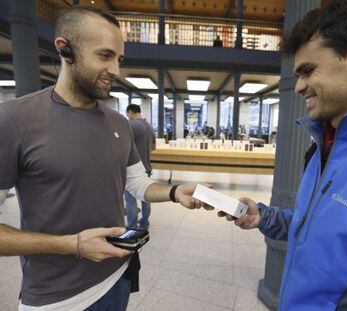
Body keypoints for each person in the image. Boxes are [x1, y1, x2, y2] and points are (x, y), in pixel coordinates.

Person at [0, 7, 209, 311]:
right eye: (104, 56)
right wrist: (73, 245)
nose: (116, 70)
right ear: (65, 49)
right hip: (56, 300)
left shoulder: (119, 123)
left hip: (118, 276)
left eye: (119, 60)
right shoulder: (14, 119)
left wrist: (175, 193)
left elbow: (138, 184)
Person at [222, 0, 347, 310]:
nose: (298, 87)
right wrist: (265, 216)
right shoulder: (324, 144)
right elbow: (316, 229)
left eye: (308, 71)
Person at [125, 104, 155, 230]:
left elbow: (124, 146)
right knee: (145, 197)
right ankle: (144, 223)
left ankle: (131, 227)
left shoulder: (131, 125)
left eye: (128, 114)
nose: (128, 117)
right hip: (147, 167)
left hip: (133, 169)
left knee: (130, 200)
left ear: (130, 112)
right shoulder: (149, 126)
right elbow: (153, 147)